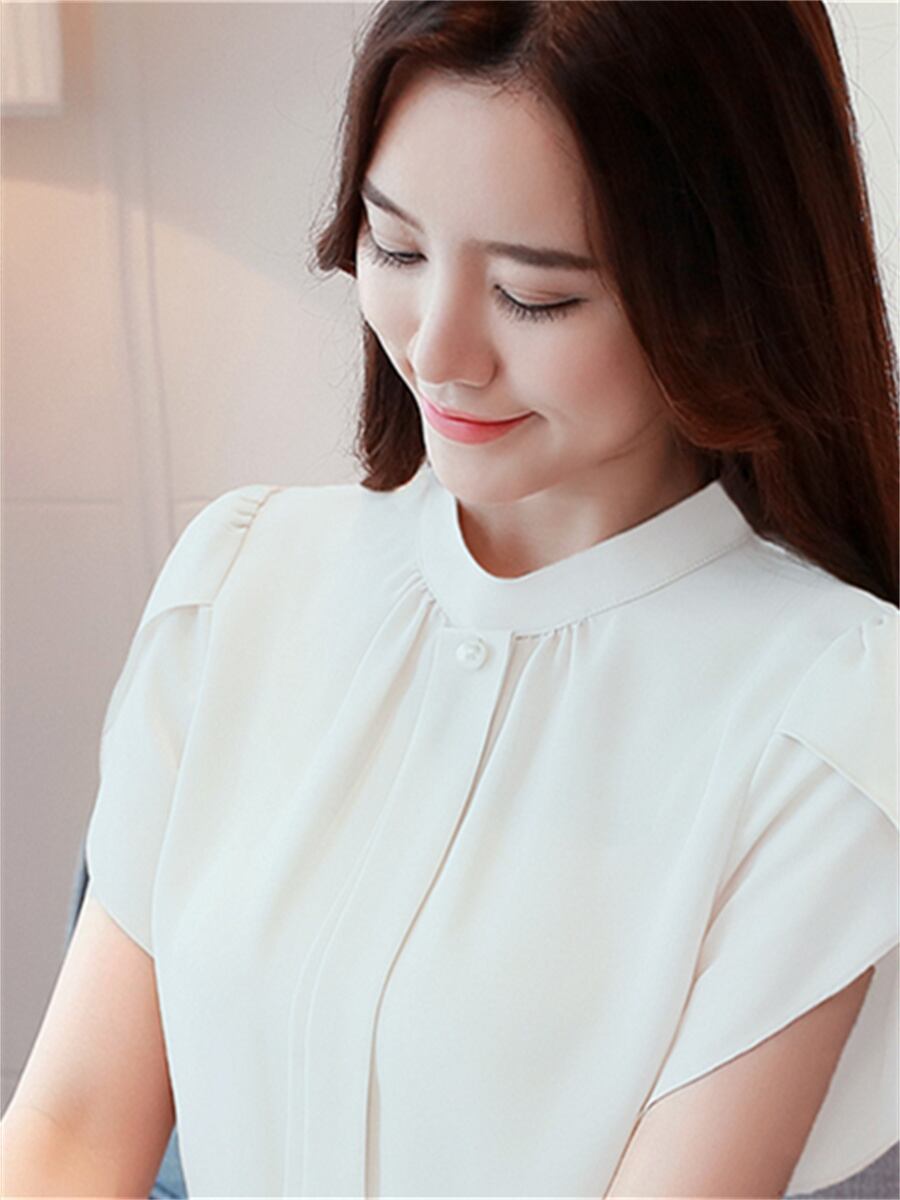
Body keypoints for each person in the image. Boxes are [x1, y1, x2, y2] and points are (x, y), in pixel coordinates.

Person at [2, 2, 898, 1197]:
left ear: (722, 287)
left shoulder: (829, 717)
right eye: (396, 247)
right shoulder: (240, 583)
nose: (437, 351)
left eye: (535, 295)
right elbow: (70, 1129)